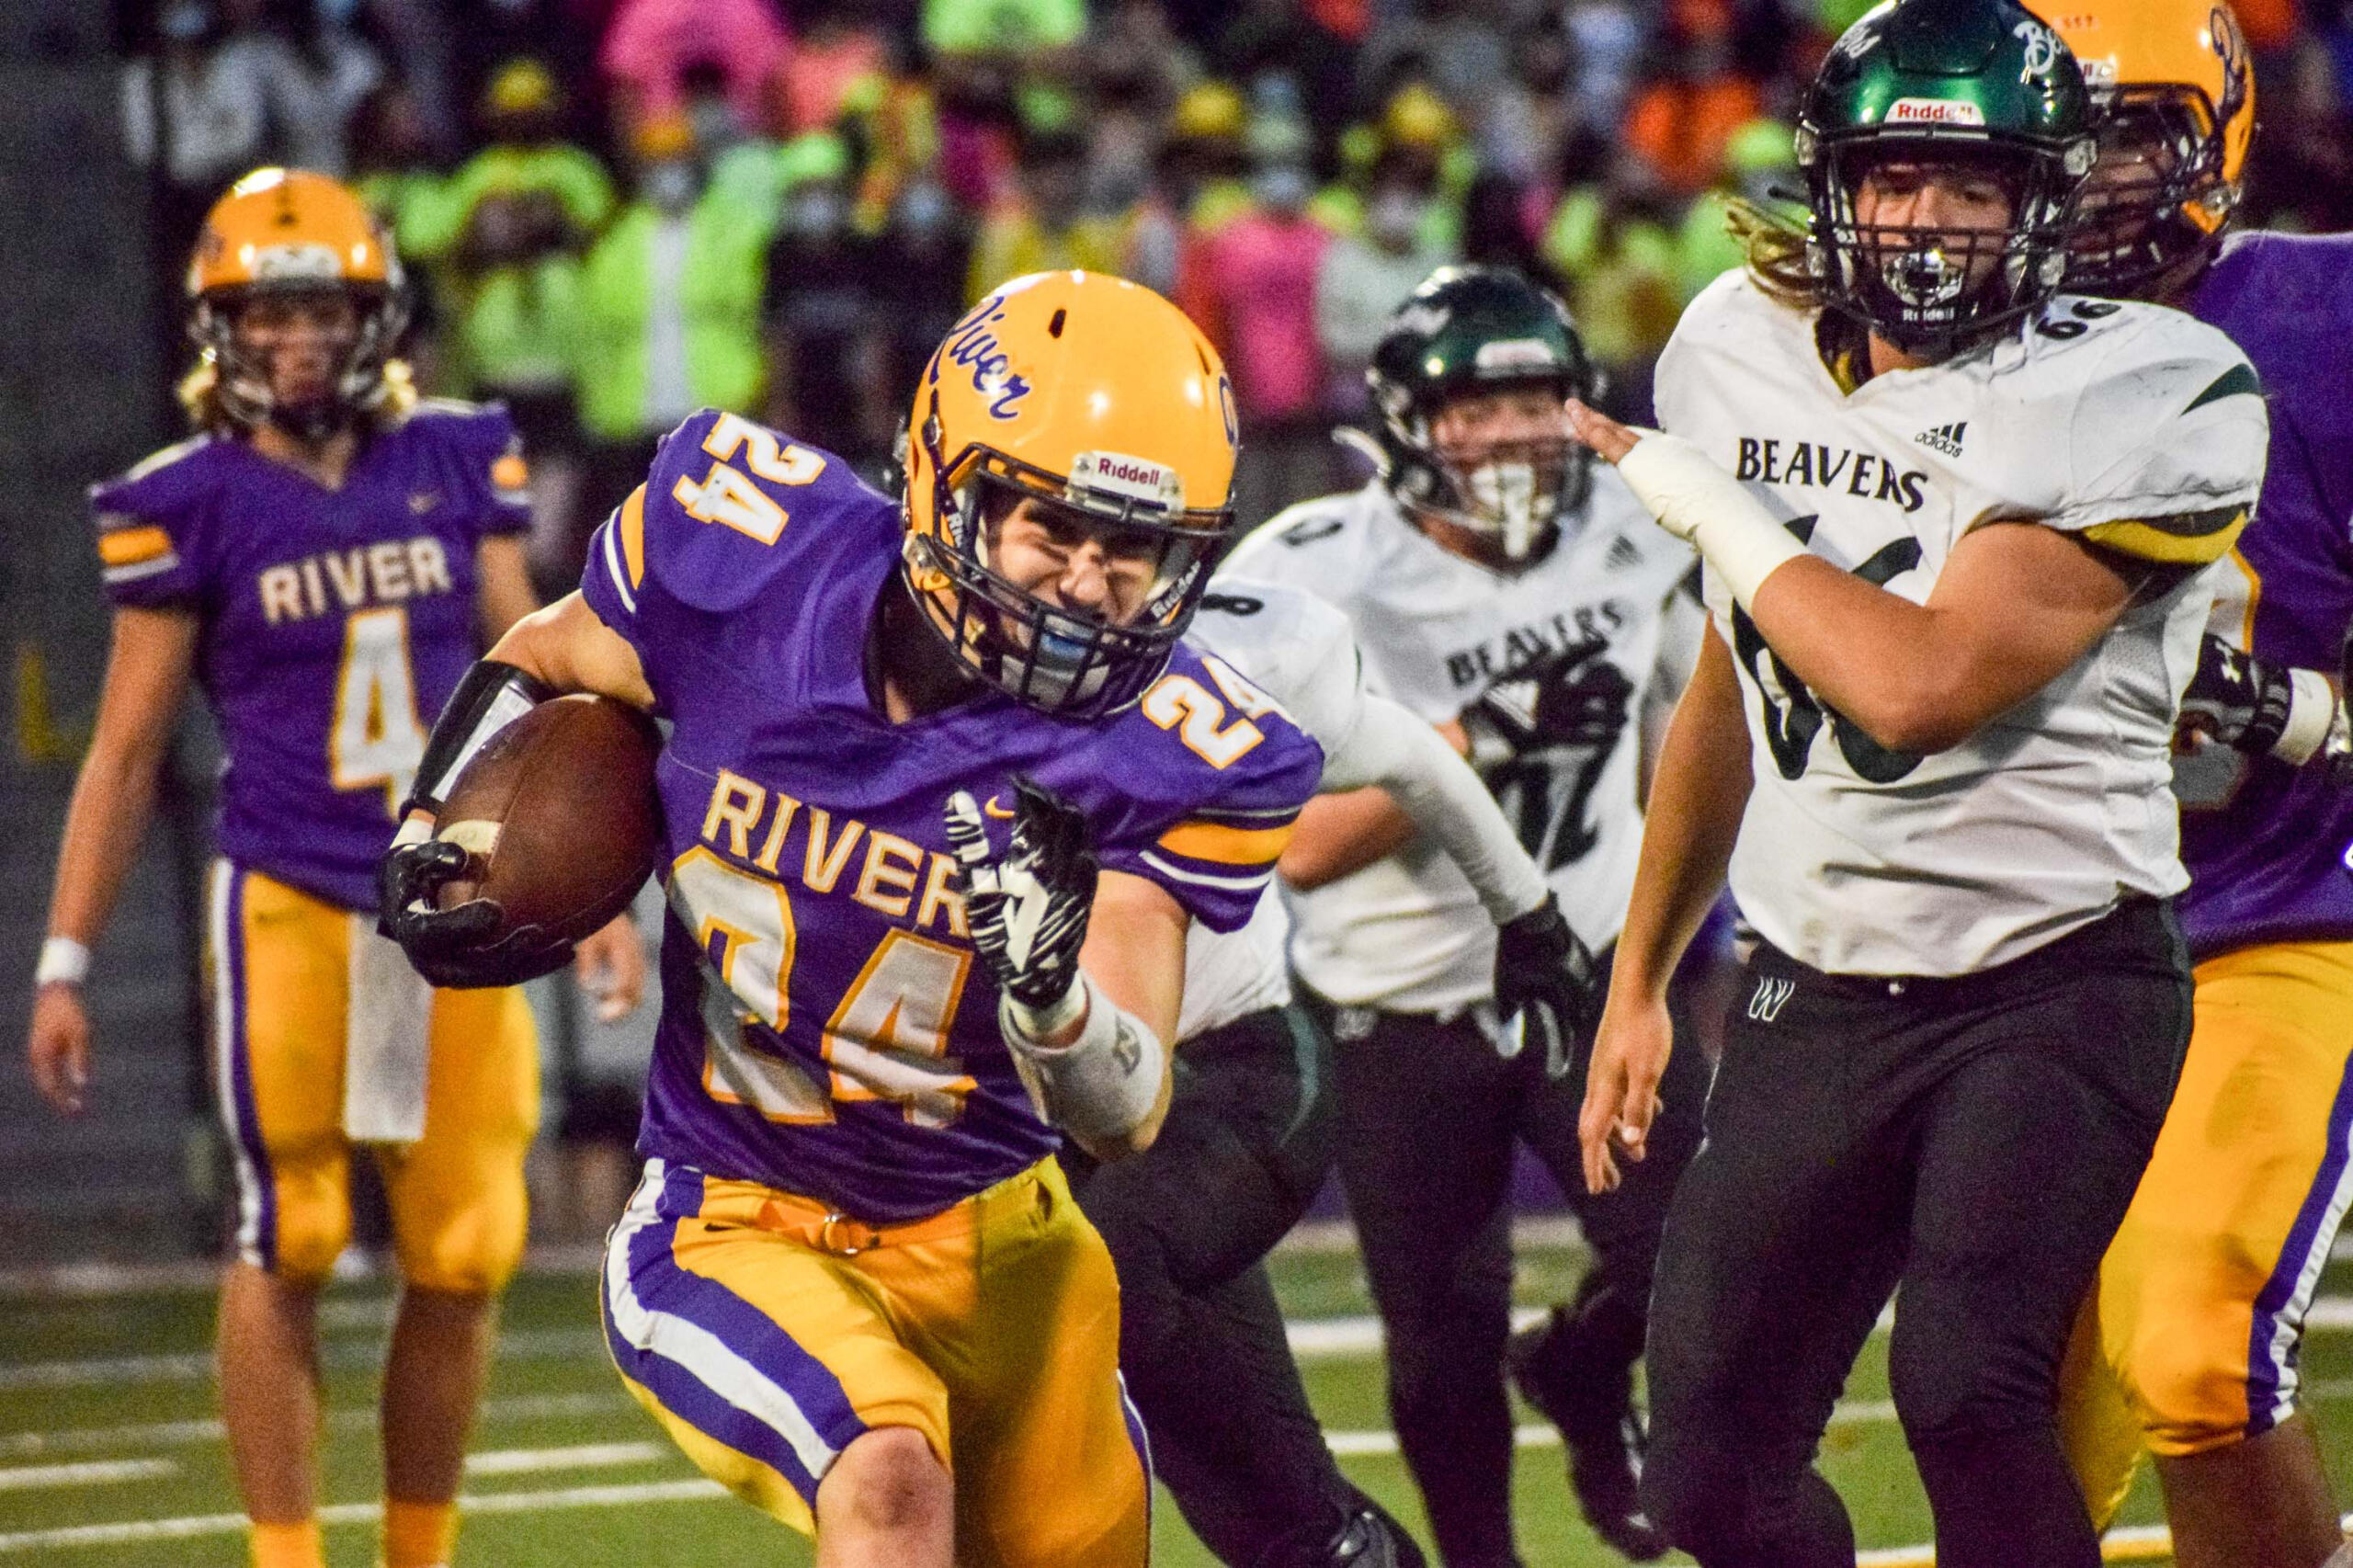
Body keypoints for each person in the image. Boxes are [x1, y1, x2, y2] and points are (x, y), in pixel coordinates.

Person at [380, 271, 1325, 1566]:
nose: (1089, 587)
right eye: (1051, 528)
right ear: (946, 480)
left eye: (1134, 552)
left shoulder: (1170, 746)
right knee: (885, 1477)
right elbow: (555, 644)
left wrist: (1054, 1001)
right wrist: (441, 813)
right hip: (737, 1204)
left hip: (1006, 1240)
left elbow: (1129, 1112)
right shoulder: (744, 563)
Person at [1566, 2, 2269, 1562]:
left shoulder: (2157, 387)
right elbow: (1730, 684)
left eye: (1978, 188)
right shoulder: (1731, 345)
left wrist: (1709, 511)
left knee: (1967, 1391)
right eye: (1897, 178)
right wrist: (1640, 977)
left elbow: (1917, 684)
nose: (1931, 224)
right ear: (1836, 184)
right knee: (1706, 1482)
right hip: (1817, 988)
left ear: (2050, 200)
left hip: (2053, 978)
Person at [22, 168, 643, 1568]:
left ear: (375, 317)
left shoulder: (451, 455)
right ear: (218, 330)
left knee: (469, 1248)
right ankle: (287, 1556)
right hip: (294, 896)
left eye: (322, 312)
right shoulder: (182, 498)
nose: (297, 343)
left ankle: (416, 1555)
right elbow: (124, 753)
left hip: (452, 904)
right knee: (291, 1229)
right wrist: (65, 956)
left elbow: (548, 669)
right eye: (267, 315)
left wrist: (603, 885)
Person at [1222, 265, 1708, 1567]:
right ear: (1404, 424)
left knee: (1700, 1267)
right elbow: (1302, 850)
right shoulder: (1311, 574)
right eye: (1473, 409)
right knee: (1440, 1348)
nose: (1507, 436)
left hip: (1593, 977)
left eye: (1536, 401)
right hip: (1397, 1010)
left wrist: (1682, 935)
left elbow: (1687, 737)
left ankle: (1584, 1370)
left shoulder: (1639, 519)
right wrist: (1479, 737)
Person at [1064, 572, 1609, 1568]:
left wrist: (1526, 915)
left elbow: (1404, 753)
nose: (1084, 576)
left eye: (1118, 545)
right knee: (1277, 1521)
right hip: (1042, 1119)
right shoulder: (880, 671)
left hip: (1221, 1076)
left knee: (1097, 1270)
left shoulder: (1217, 671)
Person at [2023, 5, 2353, 1565]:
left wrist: (2294, 711)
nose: (2088, 185)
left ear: (2218, 131)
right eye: (2056, 144)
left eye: (2129, 135)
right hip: (2029, 946)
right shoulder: (1936, 349)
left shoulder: (2321, 323)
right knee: (1997, 1412)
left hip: (2279, 913)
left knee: (2198, 1345)